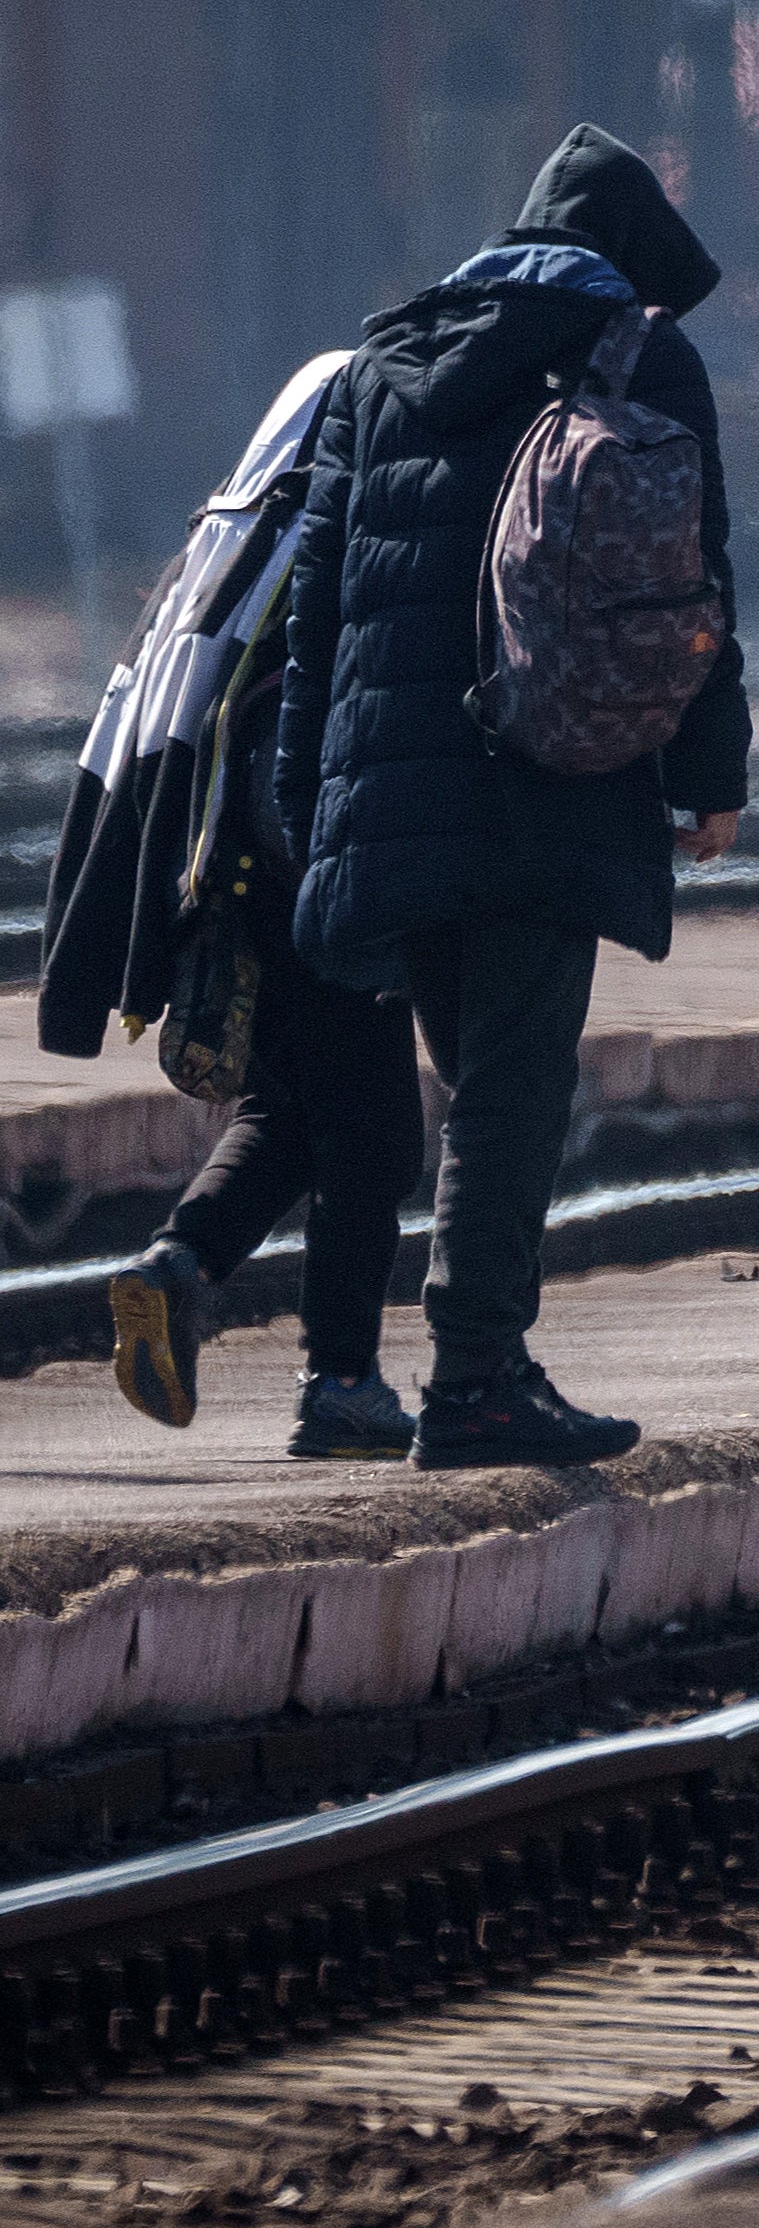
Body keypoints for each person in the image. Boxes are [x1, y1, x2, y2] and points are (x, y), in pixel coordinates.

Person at [273, 124, 752, 1469]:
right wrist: (710, 774)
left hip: (391, 785)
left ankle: (480, 1360)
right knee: (511, 1087)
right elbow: (693, 584)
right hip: (559, 768)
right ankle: (477, 1375)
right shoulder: (636, 356)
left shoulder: (380, 366)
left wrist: (309, 793)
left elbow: (317, 601)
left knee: (476, 1077)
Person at [39, 355, 425, 1457]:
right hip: (314, 873)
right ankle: (341, 1382)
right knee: (377, 1133)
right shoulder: (336, 543)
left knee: (289, 1110)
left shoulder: (227, 551)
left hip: (230, 875)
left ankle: (177, 1263)